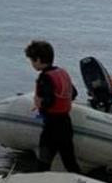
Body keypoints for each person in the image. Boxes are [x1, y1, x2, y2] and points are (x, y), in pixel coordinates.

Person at [24, 39, 81, 173]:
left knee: (43, 163)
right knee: (70, 162)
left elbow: (50, 101)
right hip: (66, 124)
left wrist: (39, 103)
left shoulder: (45, 78)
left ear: (38, 60)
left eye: (32, 61)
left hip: (51, 127)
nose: (32, 64)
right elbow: (73, 93)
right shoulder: (62, 73)